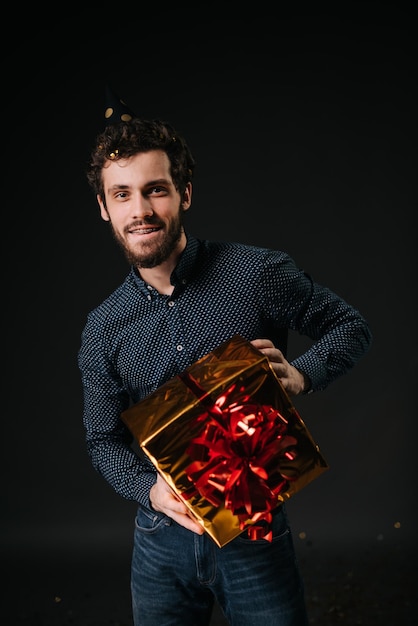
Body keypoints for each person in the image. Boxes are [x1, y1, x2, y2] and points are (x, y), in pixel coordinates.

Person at [78, 87, 372, 626]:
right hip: (159, 544)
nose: (140, 210)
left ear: (185, 194)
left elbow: (350, 327)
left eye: (155, 190)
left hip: (255, 533)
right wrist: (149, 489)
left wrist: (303, 374)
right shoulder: (103, 328)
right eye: (122, 195)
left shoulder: (256, 274)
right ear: (104, 207)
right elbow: (102, 440)